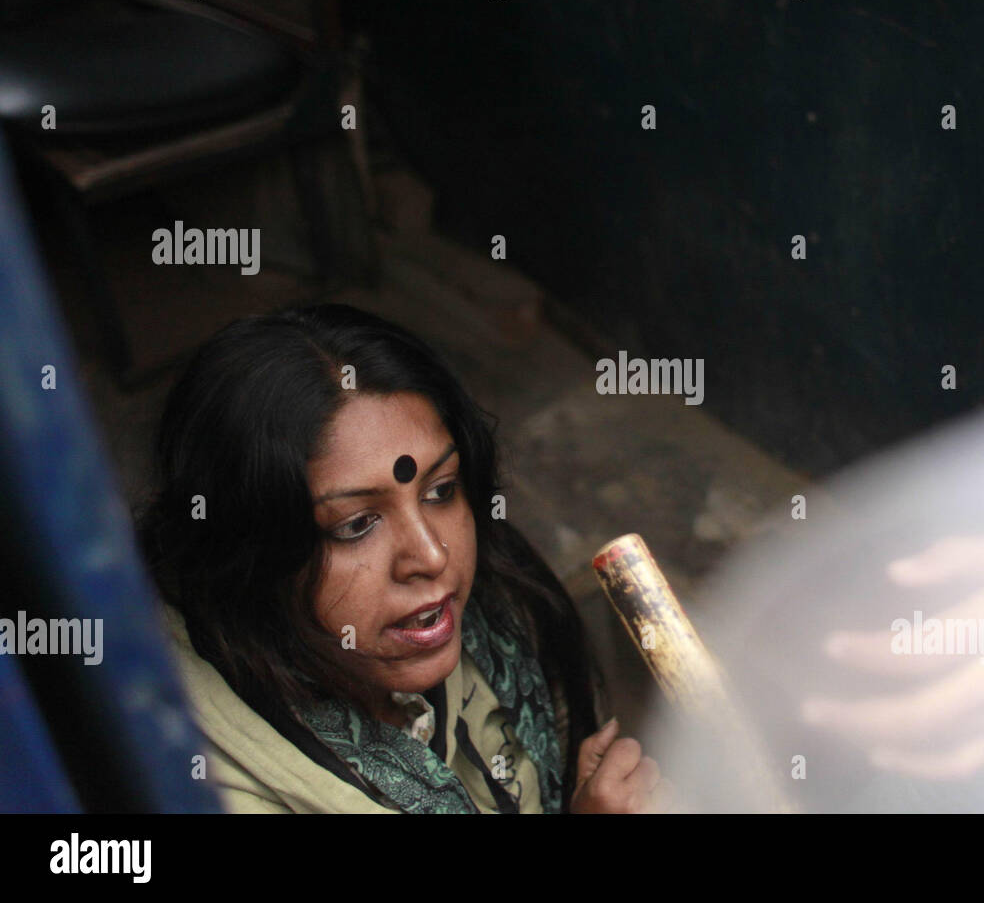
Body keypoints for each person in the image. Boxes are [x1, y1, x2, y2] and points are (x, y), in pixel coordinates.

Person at [138, 303, 666, 813]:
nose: (432, 556)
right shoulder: (205, 788)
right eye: (356, 525)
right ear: (250, 558)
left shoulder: (504, 606)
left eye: (440, 490)